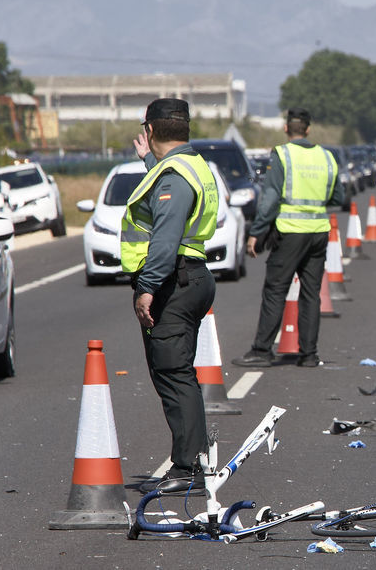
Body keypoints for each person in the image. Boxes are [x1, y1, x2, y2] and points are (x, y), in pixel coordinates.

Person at [125, 98, 218, 494]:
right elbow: (168, 195)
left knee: (173, 374)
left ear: (149, 130)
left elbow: (164, 238)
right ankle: (195, 458)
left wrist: (146, 288)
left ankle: (188, 467)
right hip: (191, 276)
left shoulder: (175, 174)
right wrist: (151, 162)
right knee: (179, 373)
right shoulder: (187, 165)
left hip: (173, 282)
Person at [232, 108, 343, 369]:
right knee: (311, 294)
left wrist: (257, 232)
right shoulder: (327, 157)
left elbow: (270, 199)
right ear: (307, 129)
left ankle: (261, 350)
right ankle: (309, 355)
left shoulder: (282, 154)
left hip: (291, 232)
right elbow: (337, 197)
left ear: (286, 129)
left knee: (275, 291)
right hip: (318, 233)